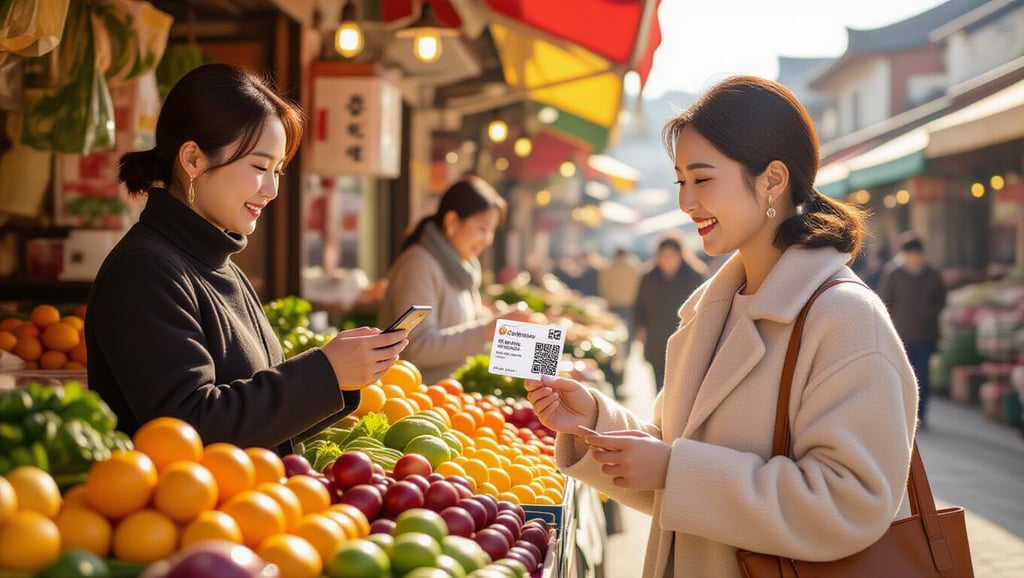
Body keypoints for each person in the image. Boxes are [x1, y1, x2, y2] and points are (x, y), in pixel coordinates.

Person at [524, 76, 918, 578]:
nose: (686, 202)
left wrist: (673, 470)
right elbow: (675, 463)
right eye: (680, 181)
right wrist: (595, 422)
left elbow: (853, 502)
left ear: (773, 179)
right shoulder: (712, 310)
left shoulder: (845, 319)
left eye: (702, 178)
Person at [86, 64, 408, 451]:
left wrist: (338, 377)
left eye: (278, 171)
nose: (271, 189)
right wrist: (326, 371)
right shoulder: (144, 271)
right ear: (192, 160)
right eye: (259, 167)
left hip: (248, 502)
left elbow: (256, 423)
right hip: (190, 509)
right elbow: (189, 427)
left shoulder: (221, 264)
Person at [377, 176, 531, 385]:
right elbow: (416, 347)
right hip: (417, 400)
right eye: (482, 228)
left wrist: (501, 320)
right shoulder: (418, 265)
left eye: (492, 231)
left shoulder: (462, 267)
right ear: (451, 221)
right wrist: (489, 330)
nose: (488, 240)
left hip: (454, 396)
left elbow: (468, 325)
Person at [879, 232, 946, 429]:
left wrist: (930, 313)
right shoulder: (893, 273)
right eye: (910, 254)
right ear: (904, 254)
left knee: (923, 378)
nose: (914, 257)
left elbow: (941, 300)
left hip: (926, 334)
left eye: (917, 254)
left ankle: (921, 416)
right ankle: (904, 416)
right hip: (901, 336)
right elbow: (885, 301)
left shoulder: (932, 274)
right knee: (902, 377)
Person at [633, 234, 706, 391]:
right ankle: (662, 416)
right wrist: (639, 328)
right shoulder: (648, 277)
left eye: (672, 256)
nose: (667, 260)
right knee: (659, 387)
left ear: (681, 255)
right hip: (656, 340)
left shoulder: (694, 275)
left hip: (685, 339)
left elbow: (705, 308)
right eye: (663, 256)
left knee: (682, 388)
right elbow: (638, 306)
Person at [598, 248, 642, 353]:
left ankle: (618, 352)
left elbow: (603, 286)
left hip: (616, 304)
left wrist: (608, 299)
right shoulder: (634, 266)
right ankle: (625, 352)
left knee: (615, 331)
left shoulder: (608, 267)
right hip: (628, 304)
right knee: (627, 331)